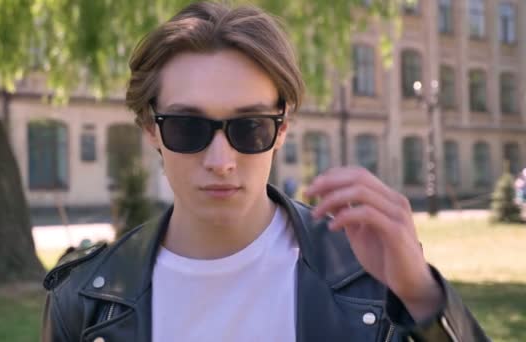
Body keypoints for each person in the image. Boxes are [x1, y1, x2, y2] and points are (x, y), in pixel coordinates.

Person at [41, 2, 488, 341]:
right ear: (150, 130)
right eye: (187, 127)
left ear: (281, 131)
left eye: (250, 127)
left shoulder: (369, 274)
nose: (221, 161)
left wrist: (424, 297)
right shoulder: (85, 299)